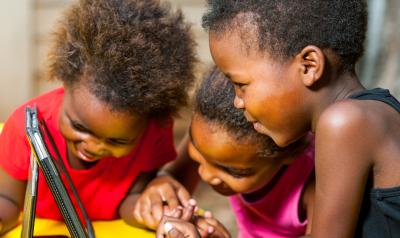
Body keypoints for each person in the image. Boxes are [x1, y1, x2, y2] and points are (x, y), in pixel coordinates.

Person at [201, 1, 400, 237]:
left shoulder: (345, 123)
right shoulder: (369, 113)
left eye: (241, 85)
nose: (238, 101)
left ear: (308, 65)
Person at [0, 0, 197, 235]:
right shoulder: (26, 126)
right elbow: (8, 200)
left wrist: (153, 213)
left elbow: (130, 200)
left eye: (117, 141)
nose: (93, 146)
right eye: (79, 126)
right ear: (65, 80)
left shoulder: (153, 132)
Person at [139, 67, 315, 238]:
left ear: (289, 154)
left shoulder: (315, 183)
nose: (206, 175)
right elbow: (175, 179)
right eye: (198, 151)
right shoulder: (209, 140)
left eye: (233, 171)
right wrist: (162, 186)